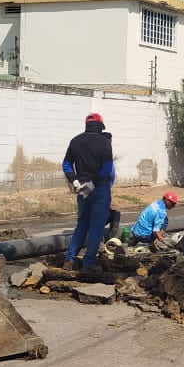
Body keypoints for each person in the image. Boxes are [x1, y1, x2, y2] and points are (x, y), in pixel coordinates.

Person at [61, 112, 115, 269]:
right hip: (99, 188)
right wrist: (94, 183)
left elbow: (66, 164)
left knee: (82, 224)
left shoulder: (75, 141)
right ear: (100, 126)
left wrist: (74, 180)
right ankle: (88, 263)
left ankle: (70, 259)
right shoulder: (104, 143)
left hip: (82, 188)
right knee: (97, 226)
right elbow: (106, 169)